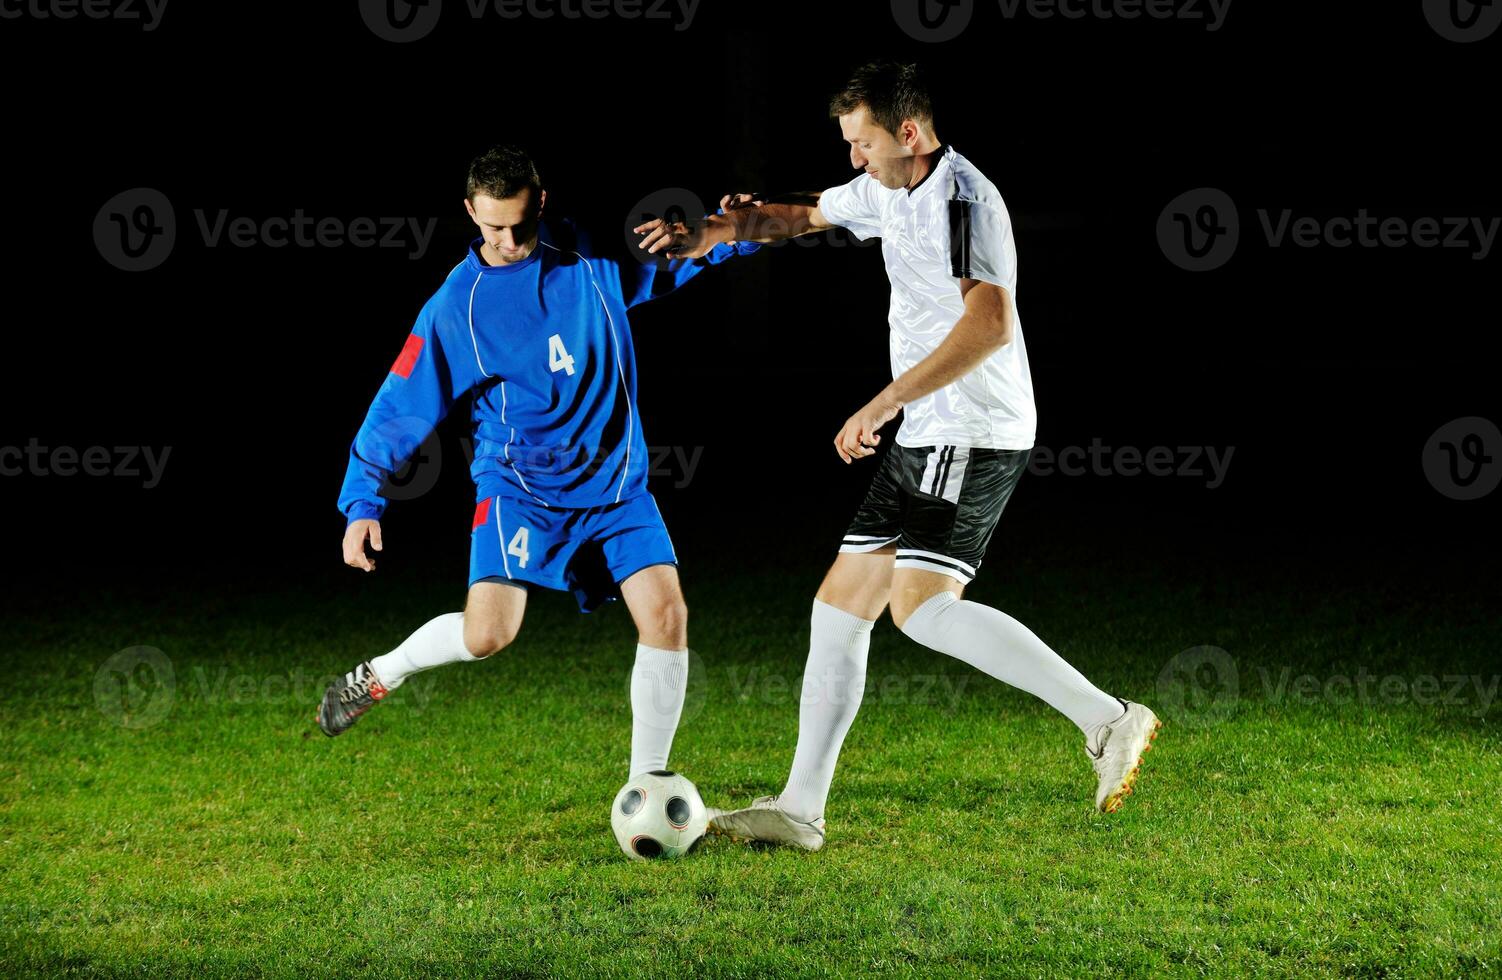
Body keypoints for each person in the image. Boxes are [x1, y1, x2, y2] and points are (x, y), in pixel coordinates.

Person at [635, 63, 1160, 850]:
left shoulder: (961, 201)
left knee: (921, 610)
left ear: (909, 134)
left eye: (864, 143)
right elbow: (804, 215)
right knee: (839, 609)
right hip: (929, 428)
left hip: (972, 427)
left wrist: (881, 402)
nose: (855, 159)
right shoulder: (890, 186)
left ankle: (1110, 718)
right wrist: (715, 232)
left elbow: (988, 327)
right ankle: (801, 808)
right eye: (849, 143)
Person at [319, 145, 758, 787]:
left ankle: (646, 786)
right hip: (522, 487)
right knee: (488, 634)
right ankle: (381, 675)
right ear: (470, 211)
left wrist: (737, 233)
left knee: (667, 616)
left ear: (542, 202)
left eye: (521, 224)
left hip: (615, 483)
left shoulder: (591, 258)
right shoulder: (457, 307)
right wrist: (364, 502)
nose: (509, 240)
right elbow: (402, 403)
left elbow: (678, 261)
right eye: (493, 227)